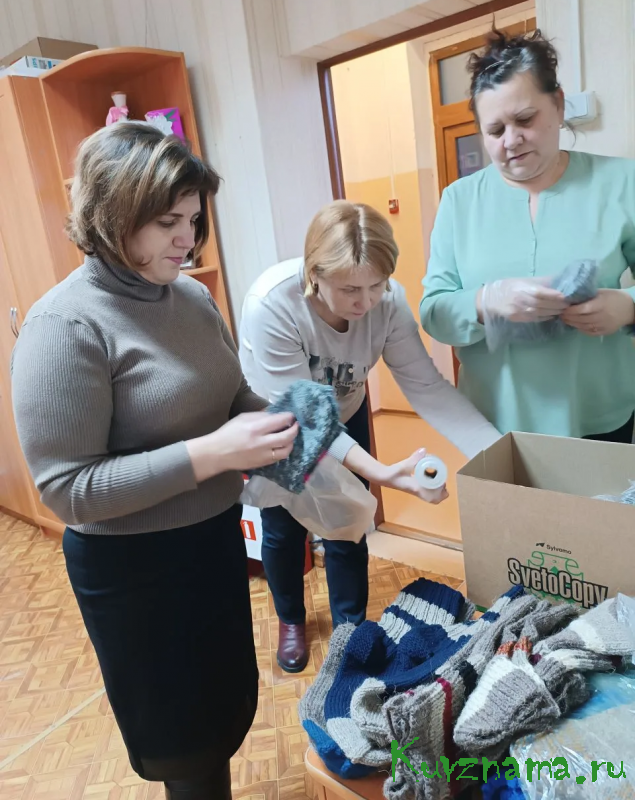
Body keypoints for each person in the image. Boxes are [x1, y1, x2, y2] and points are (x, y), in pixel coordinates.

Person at [11, 122, 298, 800]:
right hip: (135, 572)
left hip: (211, 543)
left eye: (193, 220)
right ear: (112, 215)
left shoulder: (191, 296)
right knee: (184, 748)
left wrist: (287, 417)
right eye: (168, 222)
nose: (187, 240)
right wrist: (210, 454)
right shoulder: (65, 327)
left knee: (224, 711)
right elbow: (67, 490)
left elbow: (229, 395)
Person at [239, 199, 502, 673]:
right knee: (283, 526)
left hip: (344, 409)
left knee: (349, 518)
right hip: (282, 418)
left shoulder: (388, 302)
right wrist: (383, 472)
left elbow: (426, 385)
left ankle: (350, 628)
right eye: (350, 290)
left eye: (377, 285)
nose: (365, 303)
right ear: (314, 274)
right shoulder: (272, 304)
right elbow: (308, 417)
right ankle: (291, 618)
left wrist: (497, 454)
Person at [420, 29, 635, 443]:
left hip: (602, 418)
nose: (511, 141)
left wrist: (627, 306)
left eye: (525, 120)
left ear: (558, 104)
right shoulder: (459, 201)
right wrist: (486, 301)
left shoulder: (622, 182)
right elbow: (434, 312)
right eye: (495, 130)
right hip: (494, 426)